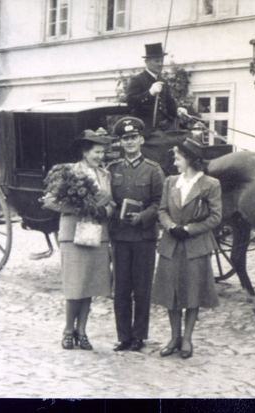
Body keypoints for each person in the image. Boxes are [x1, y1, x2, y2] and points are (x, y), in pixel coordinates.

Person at [43, 130, 115, 350]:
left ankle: (82, 331)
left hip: (97, 236)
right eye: (96, 152)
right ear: (85, 151)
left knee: (89, 286)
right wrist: (78, 207)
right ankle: (67, 330)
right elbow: (50, 201)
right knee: (75, 285)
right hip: (73, 236)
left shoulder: (105, 175)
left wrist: (105, 212)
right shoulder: (70, 172)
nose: (100, 156)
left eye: (103, 152)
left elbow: (112, 203)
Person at [152, 138, 222, 359]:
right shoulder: (171, 182)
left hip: (195, 247)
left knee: (192, 292)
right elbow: (162, 210)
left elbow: (216, 217)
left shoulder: (210, 184)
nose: (175, 162)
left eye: (178, 158)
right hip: (171, 244)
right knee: (171, 293)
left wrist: (190, 229)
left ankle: (187, 339)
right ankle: (174, 337)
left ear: (190, 160)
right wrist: (171, 226)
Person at [108, 117, 165, 352]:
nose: (130, 142)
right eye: (125, 138)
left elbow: (159, 202)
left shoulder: (153, 170)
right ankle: (123, 336)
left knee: (142, 288)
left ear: (141, 139)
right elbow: (108, 198)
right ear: (120, 143)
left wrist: (143, 216)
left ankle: (139, 335)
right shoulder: (112, 170)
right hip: (120, 237)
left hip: (144, 237)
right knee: (121, 288)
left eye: (133, 137)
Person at [126, 43, 188, 138]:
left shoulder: (163, 81)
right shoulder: (137, 80)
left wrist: (177, 110)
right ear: (146, 62)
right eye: (156, 61)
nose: (160, 64)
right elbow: (131, 102)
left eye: (161, 61)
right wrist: (149, 93)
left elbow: (169, 102)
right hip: (145, 131)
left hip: (164, 128)